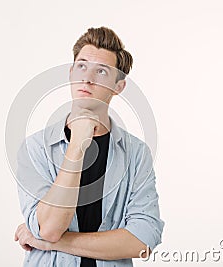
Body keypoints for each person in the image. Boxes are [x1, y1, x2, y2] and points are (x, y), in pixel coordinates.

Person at [14, 26, 164, 267]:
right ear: (71, 72)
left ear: (118, 86)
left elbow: (142, 240)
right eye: (82, 66)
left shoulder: (136, 154)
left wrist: (55, 243)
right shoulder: (35, 149)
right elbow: (50, 228)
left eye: (102, 71)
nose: (87, 78)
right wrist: (77, 145)